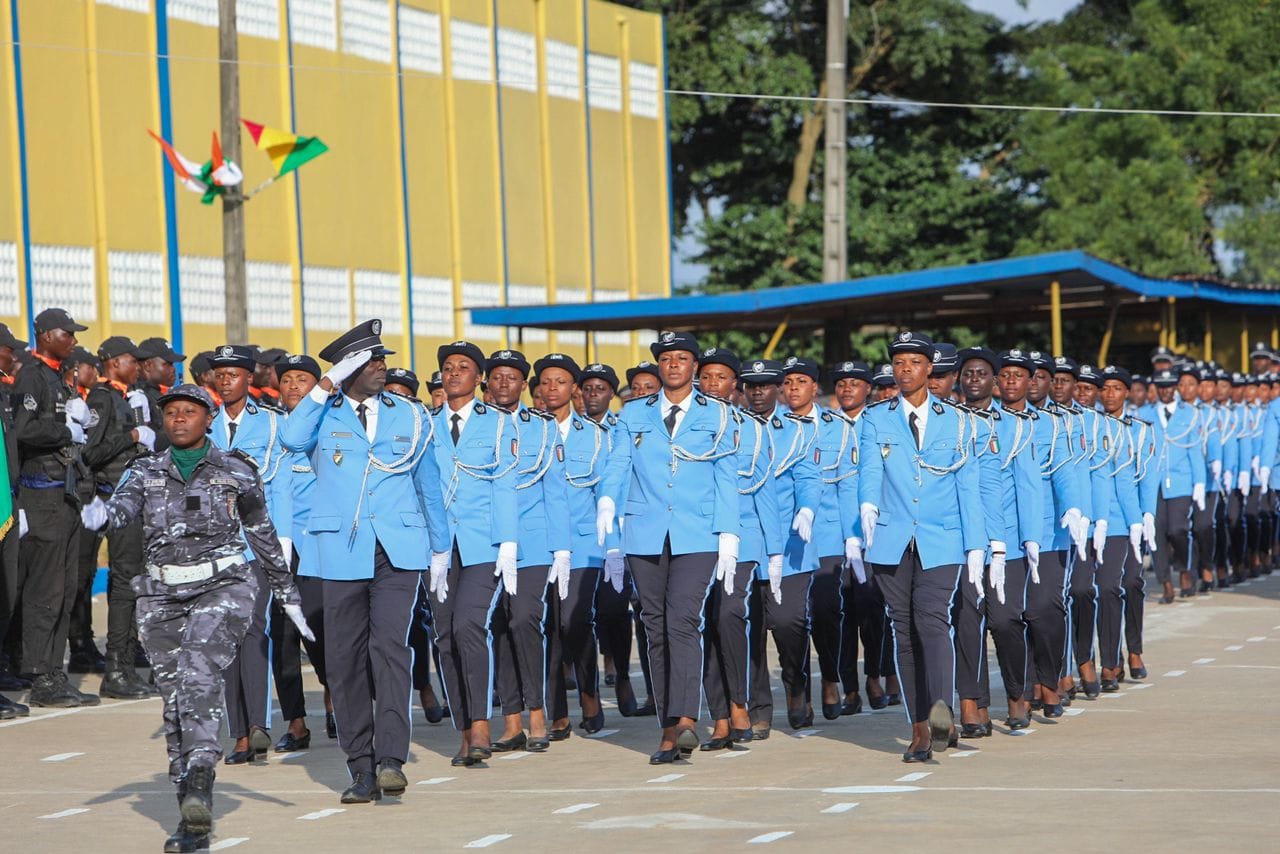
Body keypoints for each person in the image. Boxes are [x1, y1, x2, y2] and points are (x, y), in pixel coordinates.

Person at [80, 383, 312, 853]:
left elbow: (262, 533)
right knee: (175, 699)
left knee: (199, 677)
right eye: (172, 413)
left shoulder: (235, 470)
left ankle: (203, 774)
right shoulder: (144, 470)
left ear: (209, 418)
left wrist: (288, 594)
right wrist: (99, 514)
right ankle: (191, 809)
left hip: (223, 586)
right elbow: (122, 511)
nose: (179, 420)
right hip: (162, 595)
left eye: (190, 412)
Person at [282, 321, 450, 802]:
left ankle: (392, 758)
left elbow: (429, 485)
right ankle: (360, 766)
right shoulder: (320, 413)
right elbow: (292, 440)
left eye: (382, 359)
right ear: (349, 366)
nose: (382, 366)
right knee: (345, 660)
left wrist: (440, 549)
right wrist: (327, 382)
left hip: (398, 550)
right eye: (370, 360)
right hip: (340, 552)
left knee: (390, 649)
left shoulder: (411, 415)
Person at [598, 331, 739, 764]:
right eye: (667, 358)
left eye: (682, 358)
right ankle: (666, 725)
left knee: (682, 618)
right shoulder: (634, 412)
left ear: (695, 366)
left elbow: (726, 476)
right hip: (644, 531)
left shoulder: (716, 414)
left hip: (697, 532)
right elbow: (620, 462)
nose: (674, 364)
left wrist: (728, 533)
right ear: (659, 366)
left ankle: (685, 720)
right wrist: (608, 499)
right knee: (654, 626)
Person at [858, 331, 986, 761]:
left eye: (914, 362)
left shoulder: (959, 421)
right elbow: (869, 471)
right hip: (892, 537)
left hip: (942, 537)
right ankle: (918, 727)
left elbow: (969, 488)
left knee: (932, 620)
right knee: (903, 630)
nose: (905, 370)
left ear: (931, 369)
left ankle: (939, 709)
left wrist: (977, 547)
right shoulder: (876, 419)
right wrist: (867, 507)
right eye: (899, 363)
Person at [428, 340, 519, 767]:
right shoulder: (425, 425)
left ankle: (482, 723)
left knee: (469, 625)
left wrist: (508, 542)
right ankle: (463, 729)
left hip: (484, 544)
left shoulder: (499, 425)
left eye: (463, 367)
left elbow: (504, 485)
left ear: (478, 377)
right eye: (448, 367)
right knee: (444, 637)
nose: (454, 373)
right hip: (439, 548)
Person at [485, 350, 571, 752]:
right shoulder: (475, 426)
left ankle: (539, 712)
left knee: (523, 620)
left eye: (512, 377)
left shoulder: (541, 427)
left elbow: (555, 492)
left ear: (525, 386)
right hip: (483, 540)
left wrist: (561, 549)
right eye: (497, 377)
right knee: (495, 627)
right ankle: (512, 719)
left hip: (531, 543)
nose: (504, 383)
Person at [13, 308, 99, 708]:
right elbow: (25, 430)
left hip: (63, 496)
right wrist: (67, 428)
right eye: (68, 334)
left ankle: (53, 670)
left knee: (64, 590)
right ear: (46, 335)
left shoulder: (55, 377)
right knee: (45, 590)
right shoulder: (32, 375)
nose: (74, 341)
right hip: (41, 494)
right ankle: (39, 673)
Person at [696, 349, 782, 749]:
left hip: (745, 537)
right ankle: (719, 715)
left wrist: (775, 552)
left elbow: (764, 492)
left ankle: (741, 702)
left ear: (736, 386)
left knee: (732, 615)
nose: (713, 385)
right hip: (695, 538)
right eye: (707, 377)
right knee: (702, 625)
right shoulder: (682, 425)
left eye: (721, 378)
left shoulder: (752, 429)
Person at [208, 344, 290, 764]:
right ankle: (238, 733)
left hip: (255, 545)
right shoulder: (202, 426)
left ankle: (258, 725)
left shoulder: (274, 425)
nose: (225, 379)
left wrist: (286, 540)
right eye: (219, 373)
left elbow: (286, 484)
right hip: (213, 550)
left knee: (255, 628)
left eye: (233, 373)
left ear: (248, 378)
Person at [740, 358, 821, 736]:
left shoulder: (798, 431)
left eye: (766, 385)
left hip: (789, 544)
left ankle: (796, 683)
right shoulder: (732, 428)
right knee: (748, 626)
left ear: (778, 390)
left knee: (790, 621)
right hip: (745, 543)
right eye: (751, 386)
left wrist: (807, 507)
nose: (758, 392)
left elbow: (808, 475)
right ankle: (759, 706)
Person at [780, 355, 863, 721]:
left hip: (828, 533)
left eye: (801, 381)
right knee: (792, 618)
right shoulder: (772, 426)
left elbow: (847, 484)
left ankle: (830, 678)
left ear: (815, 388)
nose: (793, 388)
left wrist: (852, 537)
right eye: (788, 382)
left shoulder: (838, 426)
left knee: (827, 609)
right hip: (787, 537)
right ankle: (797, 686)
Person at [83, 336, 158, 700]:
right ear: (114, 362)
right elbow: (91, 452)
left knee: (135, 584)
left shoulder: (125, 397)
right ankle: (116, 668)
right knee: (125, 583)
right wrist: (131, 434)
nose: (139, 366)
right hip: (116, 498)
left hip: (135, 498)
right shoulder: (101, 398)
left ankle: (126, 664)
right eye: (133, 360)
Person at [267, 354, 332, 751]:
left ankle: (333, 695)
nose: (293, 386)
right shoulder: (271, 428)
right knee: (283, 636)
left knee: (323, 631)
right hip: (278, 546)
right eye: (287, 379)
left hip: (319, 546)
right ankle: (295, 723)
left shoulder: (329, 426)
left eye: (302, 379)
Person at [830, 359, 897, 709]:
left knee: (873, 607)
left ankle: (875, 674)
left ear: (867, 389)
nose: (846, 389)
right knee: (841, 610)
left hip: (873, 531)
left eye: (854, 383)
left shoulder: (879, 422)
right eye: (841, 383)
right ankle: (849, 688)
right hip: (834, 533)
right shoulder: (826, 426)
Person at [383, 366, 446, 722]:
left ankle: (425, 686)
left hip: (419, 535)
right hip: (390, 536)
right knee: (400, 625)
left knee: (424, 619)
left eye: (404, 393)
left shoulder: (419, 426)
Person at [1148, 366, 1208, 603]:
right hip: (1153, 484)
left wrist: (1200, 483)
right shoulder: (1145, 413)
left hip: (1181, 481)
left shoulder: (1189, 414)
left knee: (1178, 529)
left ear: (1174, 387)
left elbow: (1194, 451)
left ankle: (1185, 568)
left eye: (1168, 386)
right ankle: (1165, 582)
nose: (1164, 391)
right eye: (1160, 387)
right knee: (1157, 533)